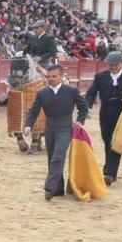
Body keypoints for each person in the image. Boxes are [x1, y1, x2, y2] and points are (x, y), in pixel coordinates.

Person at [24, 62, 89, 201]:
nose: (50, 79)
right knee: (51, 158)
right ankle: (58, 189)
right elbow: (34, 111)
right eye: (48, 76)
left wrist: (80, 121)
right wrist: (28, 125)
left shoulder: (71, 91)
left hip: (65, 128)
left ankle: (49, 187)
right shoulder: (42, 93)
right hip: (49, 128)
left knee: (57, 157)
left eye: (54, 76)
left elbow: (83, 108)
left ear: (61, 76)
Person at [84, 51, 122, 186]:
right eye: (110, 64)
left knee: (116, 141)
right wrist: (87, 107)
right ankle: (110, 171)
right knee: (107, 141)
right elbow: (91, 93)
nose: (113, 67)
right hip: (106, 111)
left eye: (115, 64)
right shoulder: (100, 77)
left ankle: (110, 173)